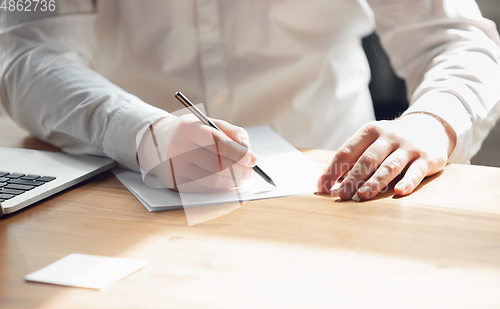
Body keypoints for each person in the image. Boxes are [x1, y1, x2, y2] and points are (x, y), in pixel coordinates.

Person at [1, 0, 499, 200]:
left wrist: (434, 121)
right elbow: (26, 50)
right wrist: (139, 132)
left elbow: (454, 37)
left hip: (334, 186)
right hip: (126, 183)